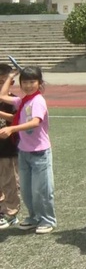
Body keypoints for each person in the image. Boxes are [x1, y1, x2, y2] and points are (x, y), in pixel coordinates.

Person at [0, 66, 55, 235]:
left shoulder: (38, 100)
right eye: (25, 82)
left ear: (39, 83)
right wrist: (10, 77)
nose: (29, 85)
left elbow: (35, 122)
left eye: (32, 81)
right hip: (24, 152)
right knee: (27, 189)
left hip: (39, 152)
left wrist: (12, 129)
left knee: (42, 190)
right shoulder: (23, 101)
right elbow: (1, 96)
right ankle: (33, 217)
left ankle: (47, 220)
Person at [0, 64, 20, 229]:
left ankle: (11, 214)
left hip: (8, 150)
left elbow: (17, 120)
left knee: (10, 182)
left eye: (2, 82)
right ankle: (2, 210)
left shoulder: (13, 100)